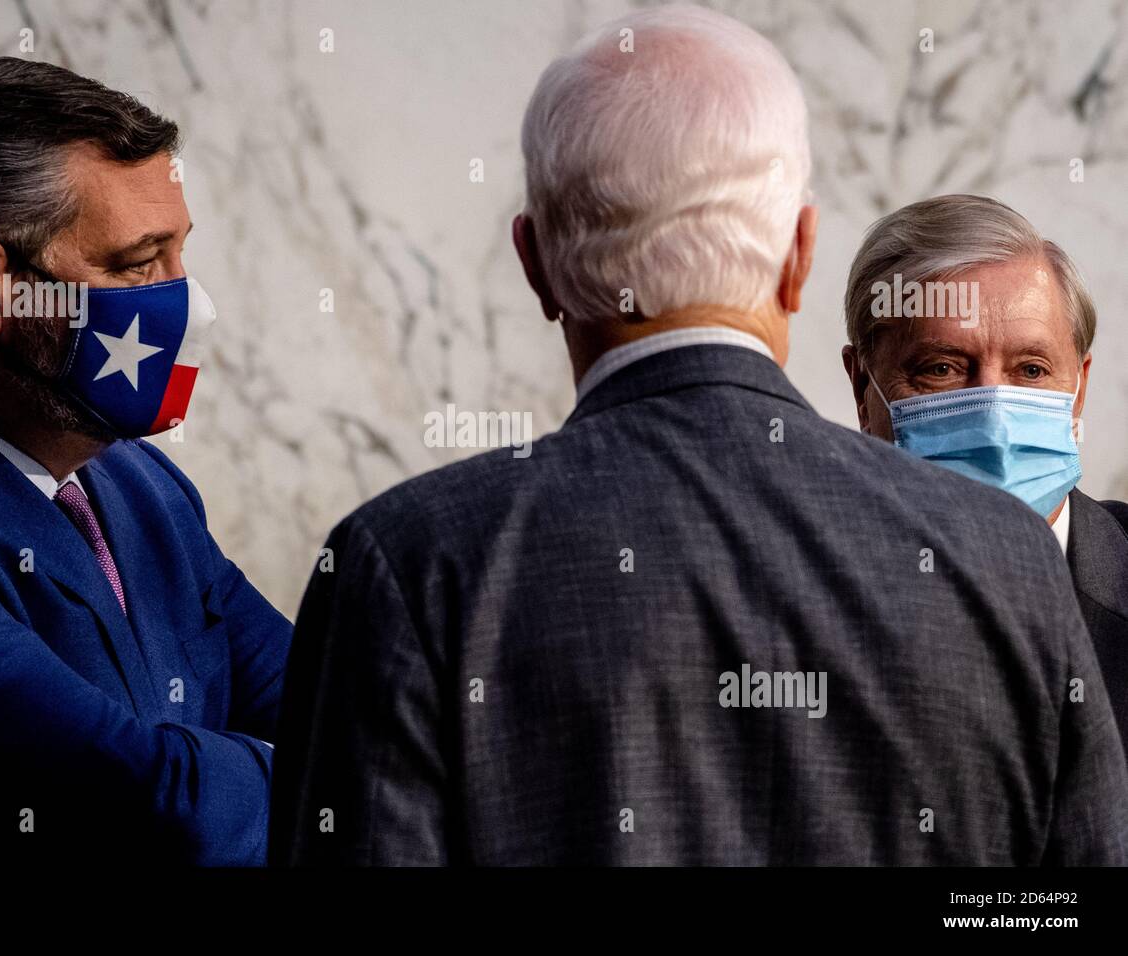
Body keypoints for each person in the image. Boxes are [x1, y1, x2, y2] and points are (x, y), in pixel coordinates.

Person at [269, 6, 1128, 865]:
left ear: (533, 263)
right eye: (940, 367)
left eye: (1030, 368)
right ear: (799, 256)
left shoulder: (407, 564)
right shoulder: (1008, 556)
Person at [0, 57, 290, 865]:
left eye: (180, 254)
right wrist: (348, 780)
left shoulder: (139, 483)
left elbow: (345, 707)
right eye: (137, 264)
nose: (190, 303)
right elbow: (148, 808)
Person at [842, 193, 1128, 752]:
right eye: (942, 368)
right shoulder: (786, 606)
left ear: (1079, 388)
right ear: (862, 388)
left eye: (1031, 369)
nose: (994, 412)